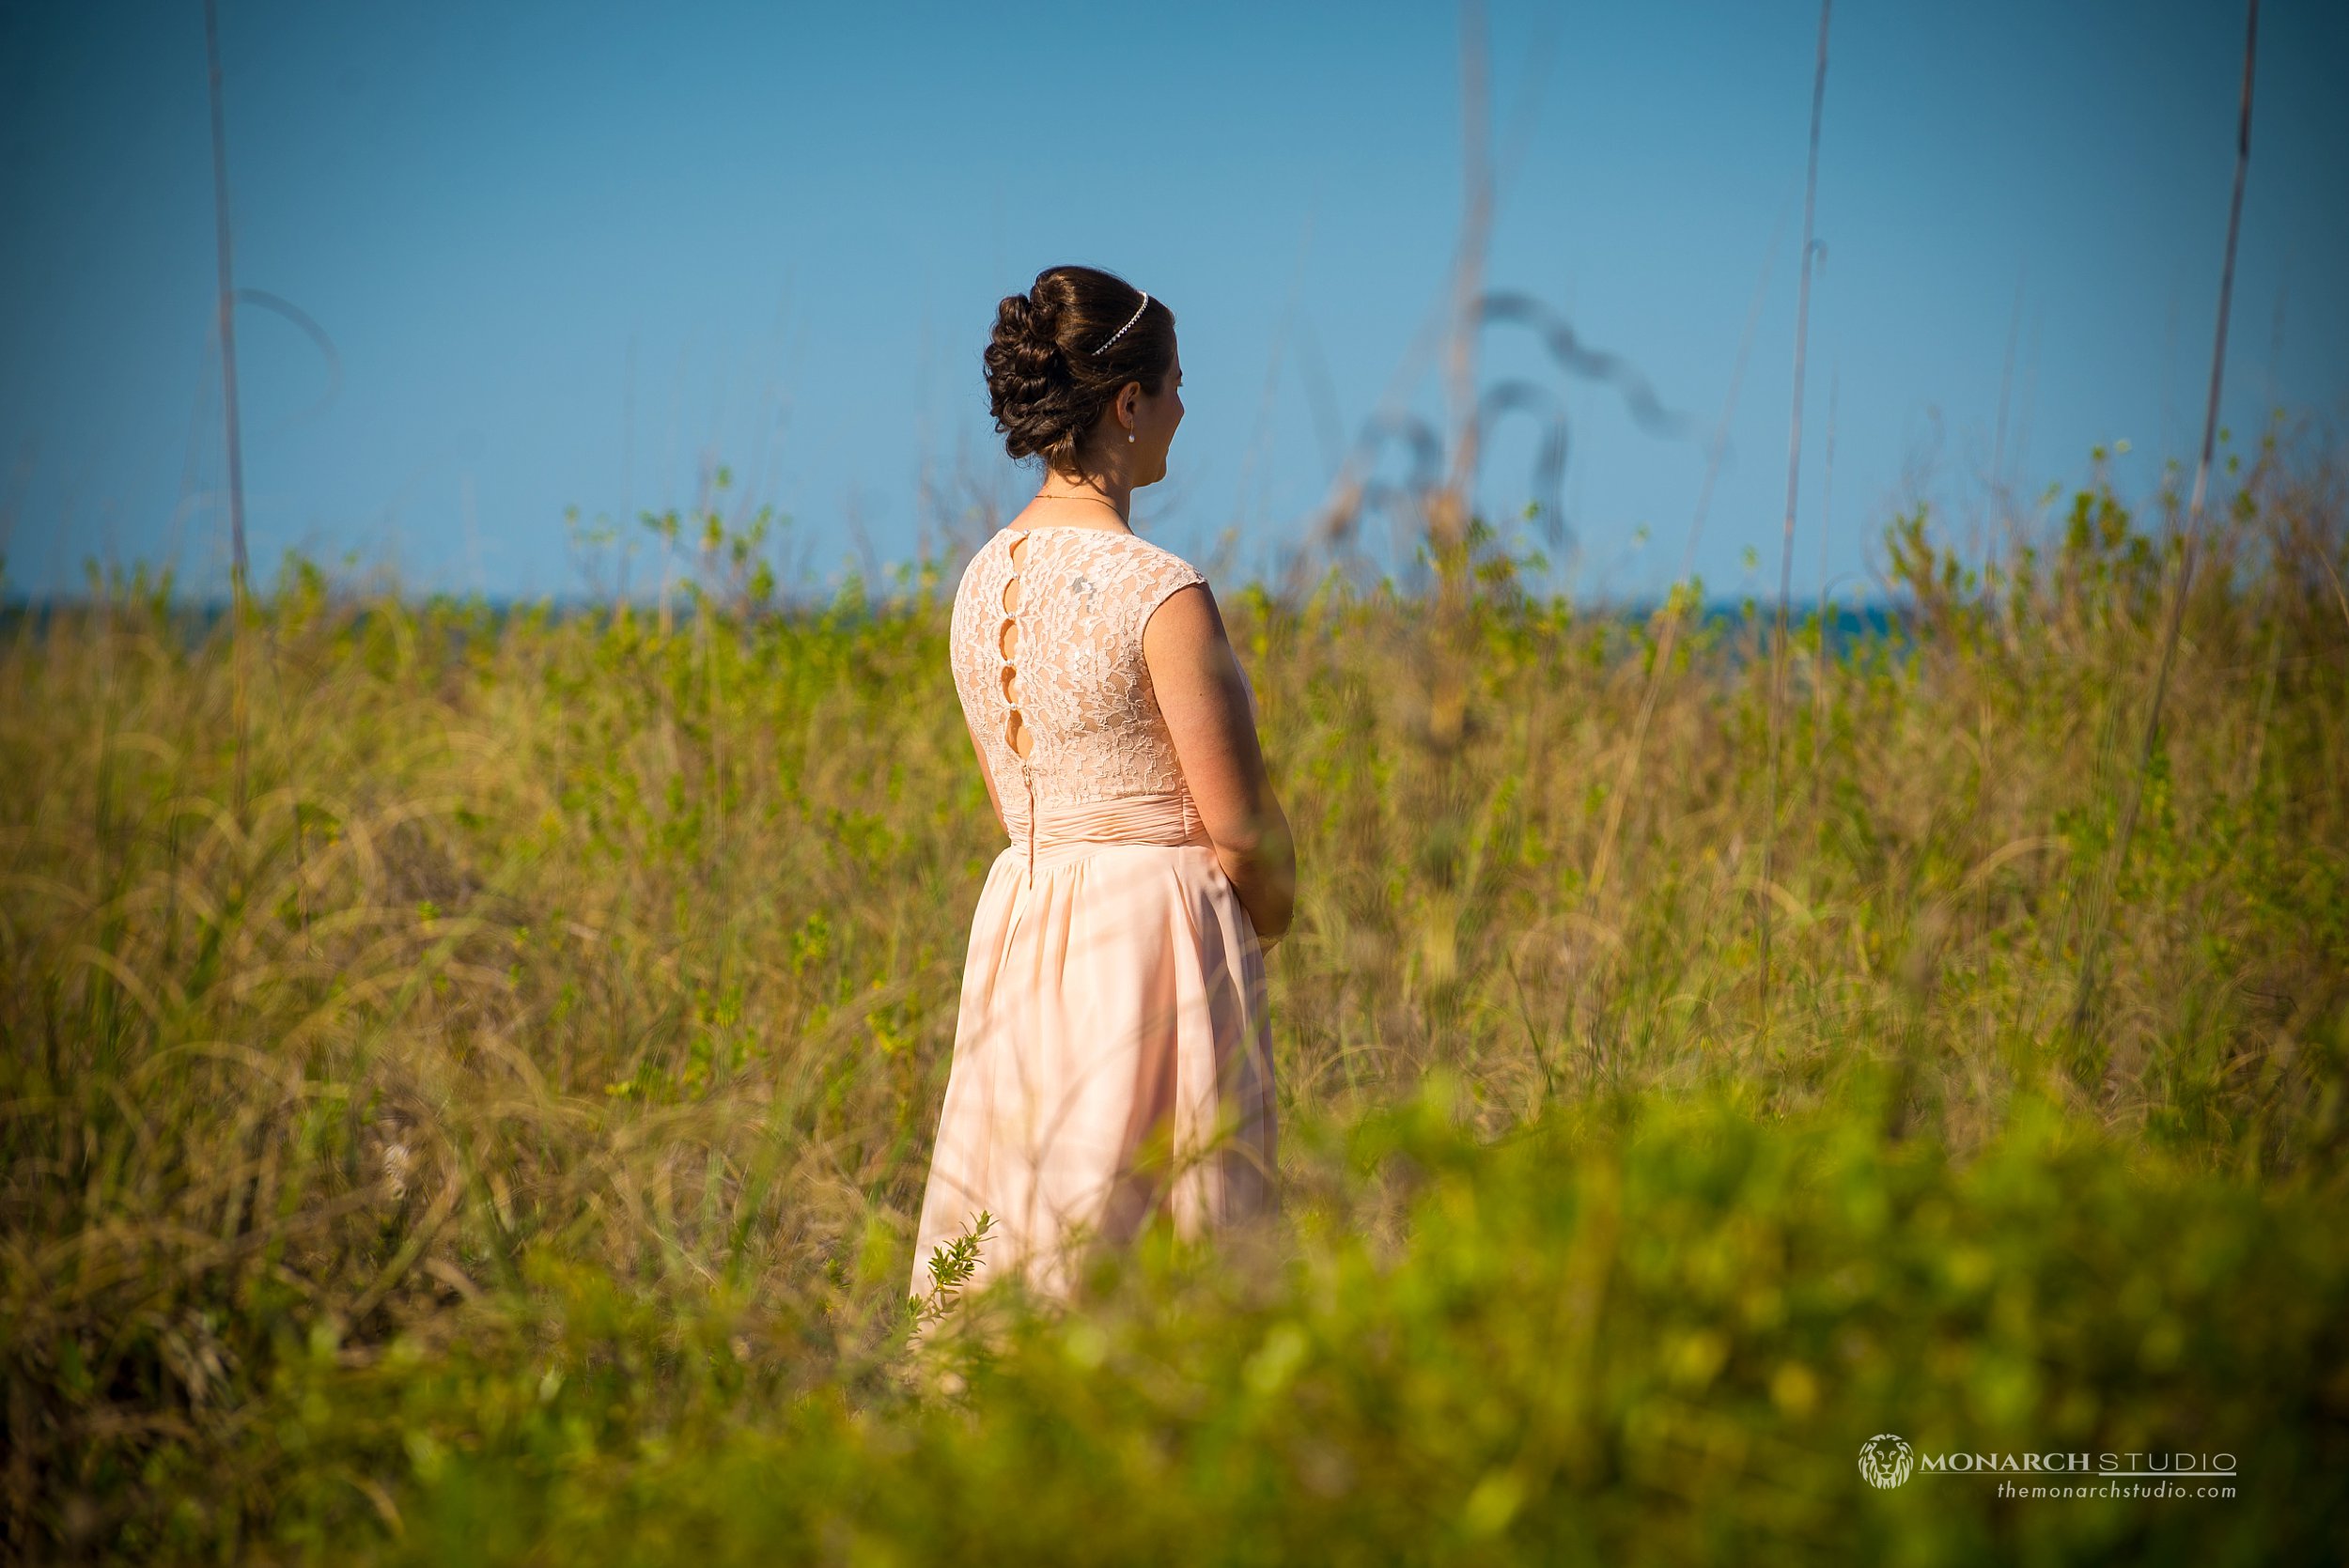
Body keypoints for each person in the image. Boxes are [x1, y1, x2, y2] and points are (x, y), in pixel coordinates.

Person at [909, 264, 1295, 1308]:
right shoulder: (1158, 590)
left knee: (1031, 1225)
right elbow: (1244, 831)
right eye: (1174, 383)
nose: (1183, 406)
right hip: (1154, 938)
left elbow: (1014, 803)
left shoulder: (979, 578)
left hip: (1026, 919)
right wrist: (1269, 917)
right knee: (1153, 1248)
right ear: (1128, 402)